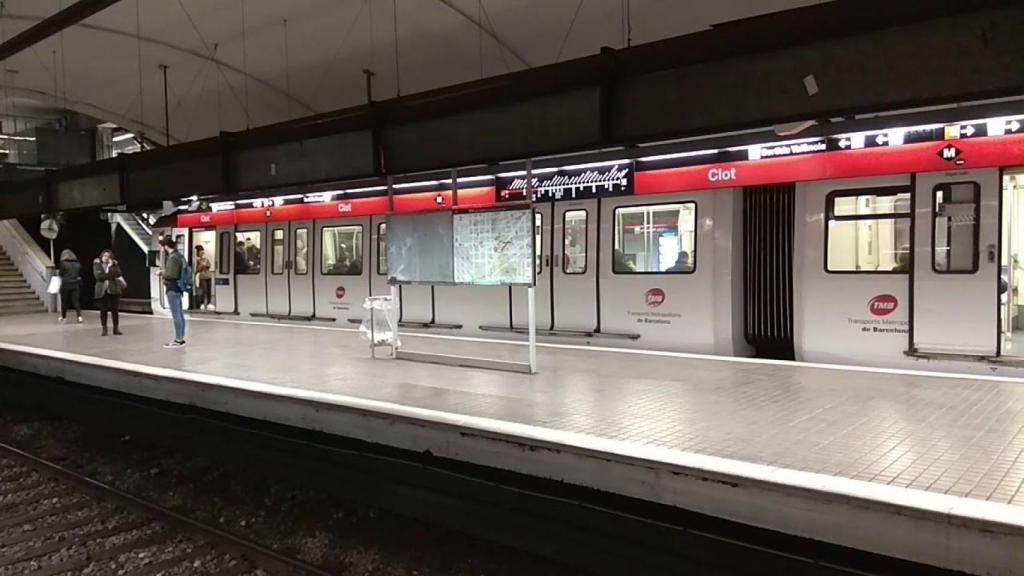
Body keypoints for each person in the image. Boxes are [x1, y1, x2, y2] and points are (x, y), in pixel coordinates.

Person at [160, 237, 187, 348]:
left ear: (166, 246)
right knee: (179, 314)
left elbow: (172, 275)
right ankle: (180, 337)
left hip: (172, 288)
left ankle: (178, 339)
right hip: (178, 288)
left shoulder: (173, 258)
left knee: (176, 314)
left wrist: (162, 273)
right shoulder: (179, 256)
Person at [93, 250, 124, 336]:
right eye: (104, 256)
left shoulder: (114, 265)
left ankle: (116, 328)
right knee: (103, 310)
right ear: (101, 257)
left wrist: (110, 267)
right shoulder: (97, 265)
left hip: (113, 290)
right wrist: (109, 274)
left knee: (115, 310)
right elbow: (98, 277)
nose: (106, 258)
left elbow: (119, 274)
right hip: (103, 291)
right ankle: (104, 328)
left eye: (108, 256)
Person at [57, 249, 83, 324]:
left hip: (66, 283)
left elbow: (60, 274)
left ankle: (64, 317)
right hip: (75, 284)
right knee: (76, 301)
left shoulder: (63, 263)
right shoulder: (77, 263)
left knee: (64, 301)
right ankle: (79, 316)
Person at [194, 245, 213, 310]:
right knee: (204, 290)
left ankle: (209, 303)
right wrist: (201, 265)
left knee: (209, 290)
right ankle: (202, 303)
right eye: (201, 252)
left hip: (208, 275)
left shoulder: (206, 259)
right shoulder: (196, 260)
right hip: (202, 277)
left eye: (203, 251)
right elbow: (196, 269)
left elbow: (209, 265)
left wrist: (206, 265)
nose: (202, 253)